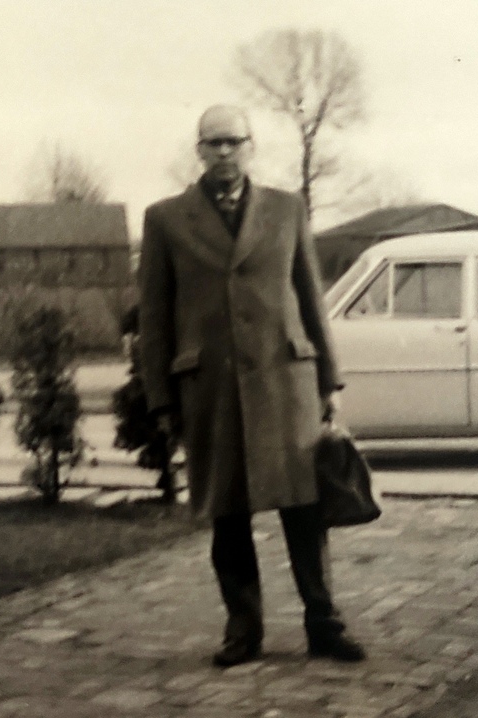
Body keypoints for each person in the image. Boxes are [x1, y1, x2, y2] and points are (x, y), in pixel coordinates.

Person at [137, 104, 365, 667]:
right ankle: (243, 630)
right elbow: (154, 316)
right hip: (211, 390)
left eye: (233, 142)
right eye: (213, 143)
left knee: (304, 509)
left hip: (286, 380)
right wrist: (161, 398)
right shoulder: (166, 219)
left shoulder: (287, 210)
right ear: (198, 151)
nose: (224, 152)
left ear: (250, 146)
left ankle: (324, 623)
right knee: (228, 514)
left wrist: (329, 379)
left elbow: (310, 296)